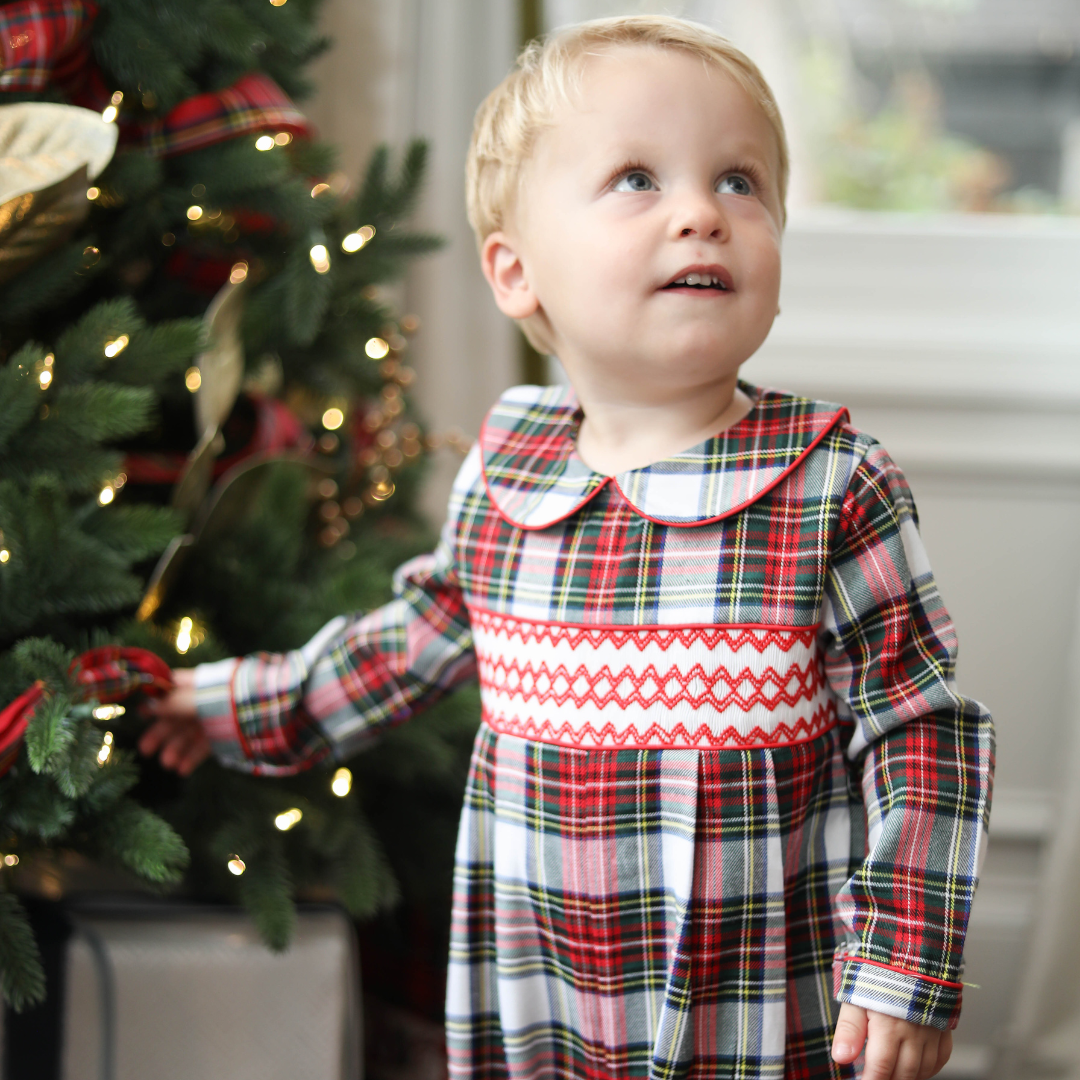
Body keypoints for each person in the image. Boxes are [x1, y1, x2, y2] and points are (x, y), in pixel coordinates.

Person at [140, 16, 994, 1080]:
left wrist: (904, 965)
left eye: (741, 183)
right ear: (515, 272)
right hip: (541, 993)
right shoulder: (512, 475)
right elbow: (407, 646)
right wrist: (226, 704)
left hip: (761, 1012)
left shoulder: (829, 483)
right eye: (639, 179)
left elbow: (925, 734)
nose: (701, 214)